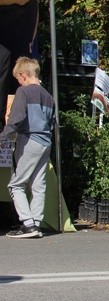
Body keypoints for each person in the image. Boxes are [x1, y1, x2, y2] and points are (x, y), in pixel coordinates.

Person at [2, 57, 55, 239]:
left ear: (23, 76)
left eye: (18, 78)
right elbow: (53, 122)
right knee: (38, 185)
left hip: (29, 139)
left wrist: (4, 136)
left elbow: (16, 118)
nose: (18, 81)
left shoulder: (23, 92)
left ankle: (28, 224)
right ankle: (36, 224)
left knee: (16, 184)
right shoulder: (49, 96)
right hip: (46, 142)